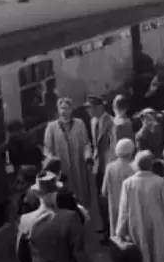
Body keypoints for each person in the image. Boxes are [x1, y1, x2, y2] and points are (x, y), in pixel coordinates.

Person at [43, 98, 93, 213]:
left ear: (72, 109)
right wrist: (52, 162)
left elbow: (86, 143)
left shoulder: (79, 124)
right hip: (62, 167)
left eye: (66, 108)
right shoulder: (51, 127)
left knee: (81, 192)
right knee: (64, 192)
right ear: (58, 110)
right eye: (61, 108)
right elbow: (47, 148)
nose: (64, 111)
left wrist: (88, 157)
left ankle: (82, 213)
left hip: (78, 165)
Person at [84, 95, 113, 236]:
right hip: (98, 165)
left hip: (108, 165)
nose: (89, 111)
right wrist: (89, 156)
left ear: (100, 107)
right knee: (100, 198)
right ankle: (105, 226)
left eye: (91, 108)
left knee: (109, 198)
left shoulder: (111, 122)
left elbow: (112, 146)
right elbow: (92, 143)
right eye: (88, 108)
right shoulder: (93, 121)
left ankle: (111, 228)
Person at [101, 138, 135, 237]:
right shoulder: (132, 168)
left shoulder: (109, 167)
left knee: (116, 236)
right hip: (129, 208)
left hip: (114, 207)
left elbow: (104, 191)